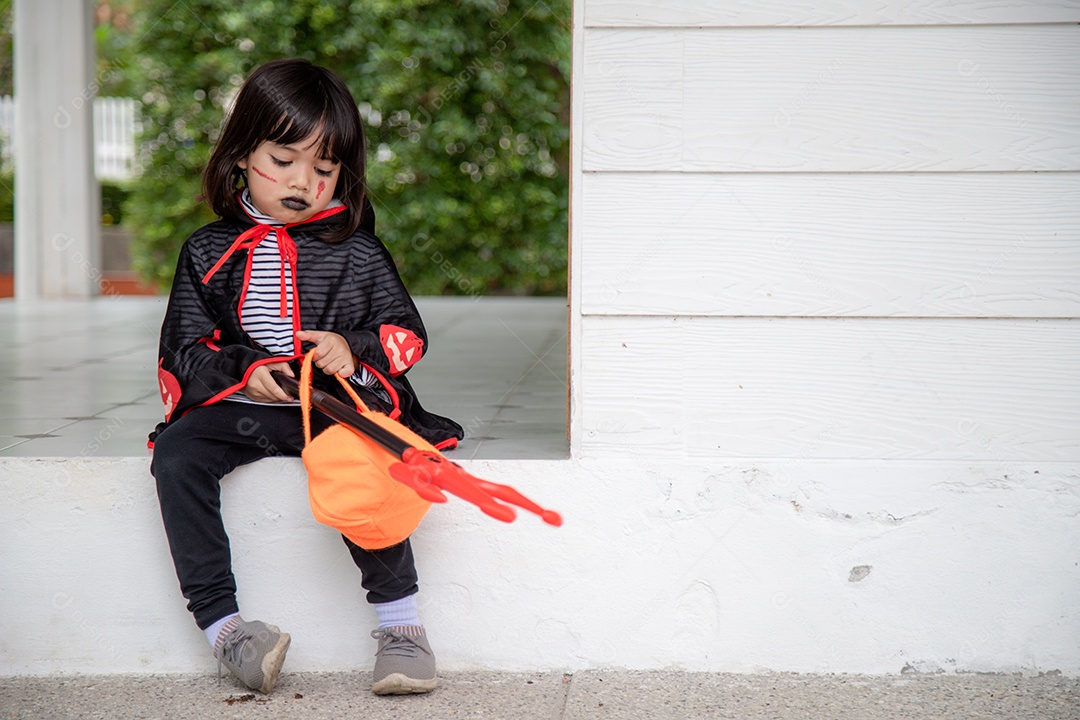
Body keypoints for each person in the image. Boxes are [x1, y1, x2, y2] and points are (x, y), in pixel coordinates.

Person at [149, 58, 463, 696]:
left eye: (324, 169)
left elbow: (406, 335)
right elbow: (182, 349)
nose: (304, 181)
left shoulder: (358, 251)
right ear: (241, 154)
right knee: (177, 456)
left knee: (364, 464)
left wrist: (354, 348)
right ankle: (227, 632)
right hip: (249, 407)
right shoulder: (208, 252)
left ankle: (402, 628)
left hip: (335, 407)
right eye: (285, 160)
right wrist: (245, 368)